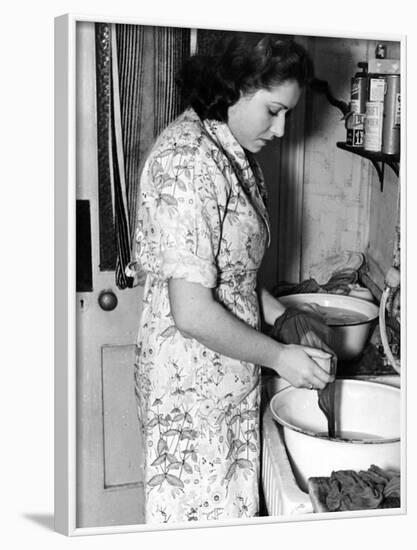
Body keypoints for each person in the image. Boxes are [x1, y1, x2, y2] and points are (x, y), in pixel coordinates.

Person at [129, 32, 334, 524]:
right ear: (233, 87)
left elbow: (229, 273)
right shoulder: (189, 161)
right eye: (273, 110)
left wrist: (285, 317)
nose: (282, 129)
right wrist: (280, 356)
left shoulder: (230, 152)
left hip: (227, 379)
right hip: (192, 396)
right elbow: (194, 312)